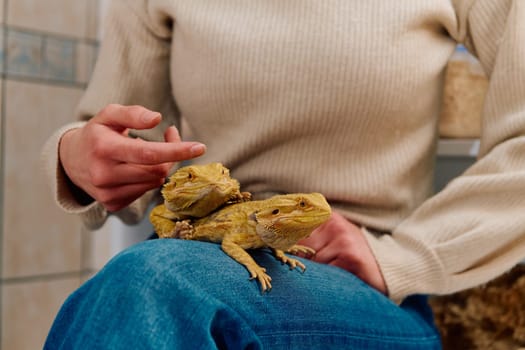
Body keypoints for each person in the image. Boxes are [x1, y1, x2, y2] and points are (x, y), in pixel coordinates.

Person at [42, 0, 525, 349]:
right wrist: (77, 158)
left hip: (367, 295)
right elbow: (114, 132)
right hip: (190, 265)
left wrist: (408, 256)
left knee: (150, 282)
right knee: (150, 282)